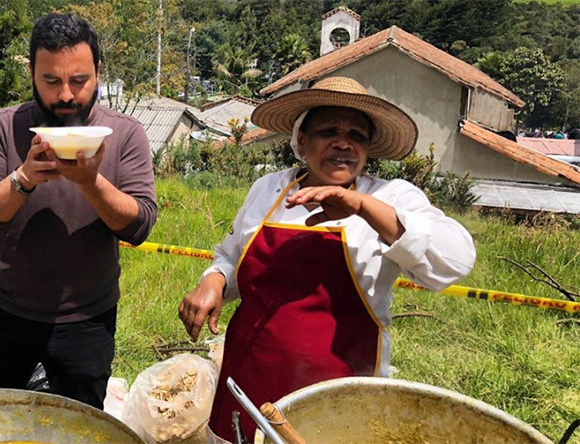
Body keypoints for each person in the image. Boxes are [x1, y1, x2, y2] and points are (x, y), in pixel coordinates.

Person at [178, 77, 476, 440]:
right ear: (301, 142)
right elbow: (231, 257)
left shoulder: (392, 198)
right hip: (248, 379)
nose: (343, 142)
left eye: (357, 135)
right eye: (328, 130)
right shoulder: (269, 189)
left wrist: (364, 209)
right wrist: (214, 280)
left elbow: (456, 260)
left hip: (339, 394)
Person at [0, 13, 157, 409]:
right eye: (51, 81)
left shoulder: (126, 134)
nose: (66, 95)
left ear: (98, 71)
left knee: (77, 429)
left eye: (79, 80)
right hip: (3, 312)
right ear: (31, 72)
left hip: (88, 321)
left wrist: (90, 181)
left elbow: (139, 226)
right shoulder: (2, 127)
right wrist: (23, 178)